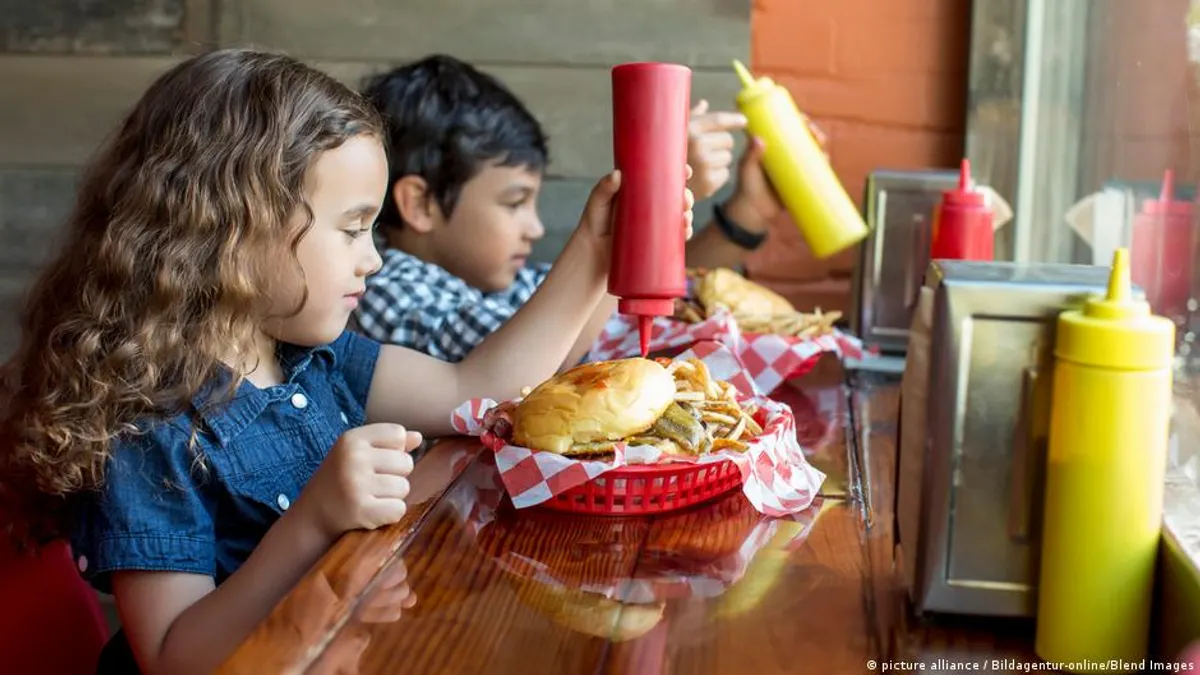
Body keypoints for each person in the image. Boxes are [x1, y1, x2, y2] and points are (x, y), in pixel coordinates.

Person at [0, 48, 693, 675]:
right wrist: (315, 518)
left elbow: (477, 389)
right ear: (234, 230)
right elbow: (177, 655)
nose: (373, 256)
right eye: (352, 228)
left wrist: (596, 253)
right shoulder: (148, 423)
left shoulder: (314, 356)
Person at [353, 54, 786, 365]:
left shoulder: (505, 285)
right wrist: (648, 192)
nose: (536, 227)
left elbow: (625, 297)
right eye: (515, 202)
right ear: (420, 203)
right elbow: (532, 370)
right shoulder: (389, 293)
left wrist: (744, 216)